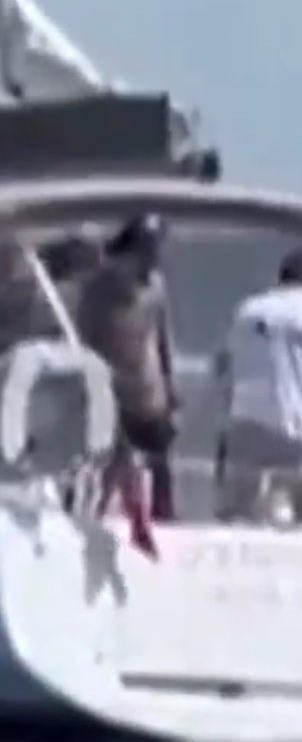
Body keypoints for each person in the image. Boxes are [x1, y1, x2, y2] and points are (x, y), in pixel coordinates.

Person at [213, 247, 302, 529]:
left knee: (237, 515)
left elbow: (222, 367)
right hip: (296, 432)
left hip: (244, 428)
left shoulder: (247, 310)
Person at [75, 214, 179, 521]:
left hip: (149, 392)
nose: (154, 256)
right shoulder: (99, 288)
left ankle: (163, 520)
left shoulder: (155, 286)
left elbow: (163, 338)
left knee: (159, 468)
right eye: (147, 248)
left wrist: (171, 389)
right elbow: (84, 336)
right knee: (107, 465)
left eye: (157, 248)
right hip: (111, 391)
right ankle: (93, 516)